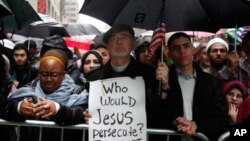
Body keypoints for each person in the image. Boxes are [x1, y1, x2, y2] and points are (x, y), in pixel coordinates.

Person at [83, 24, 168, 140]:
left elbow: (160, 113)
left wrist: (164, 86)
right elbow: (84, 108)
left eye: (124, 37)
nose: (119, 42)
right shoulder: (94, 78)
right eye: (114, 38)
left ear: (133, 44)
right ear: (107, 45)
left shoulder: (150, 75)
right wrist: (87, 115)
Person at [5, 49, 89, 141]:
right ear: (39, 74)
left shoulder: (77, 92)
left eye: (54, 75)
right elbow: (6, 108)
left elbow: (80, 113)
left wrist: (57, 109)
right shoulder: (29, 89)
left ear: (63, 75)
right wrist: (19, 107)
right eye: (44, 74)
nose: (49, 79)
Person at [159, 32, 228, 141]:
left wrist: (197, 125)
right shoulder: (162, 81)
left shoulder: (211, 82)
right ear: (169, 54)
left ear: (193, 49)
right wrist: (164, 86)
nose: (182, 51)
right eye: (176, 48)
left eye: (186, 46)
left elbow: (221, 119)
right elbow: (158, 115)